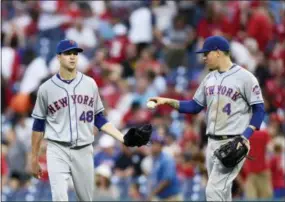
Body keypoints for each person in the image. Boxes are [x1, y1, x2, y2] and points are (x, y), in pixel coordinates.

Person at [149, 36, 265, 201]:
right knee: (222, 194)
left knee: (213, 191)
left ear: (218, 52)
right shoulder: (209, 79)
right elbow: (194, 106)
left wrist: (245, 136)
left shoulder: (246, 78)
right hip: (211, 143)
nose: (203, 57)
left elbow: (259, 110)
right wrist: (167, 101)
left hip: (234, 141)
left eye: (206, 53)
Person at [30, 39, 149, 201]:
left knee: (86, 198)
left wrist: (123, 138)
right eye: (67, 53)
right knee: (59, 197)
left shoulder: (89, 84)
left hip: (83, 149)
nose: (72, 57)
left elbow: (99, 119)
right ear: (58, 57)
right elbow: (38, 126)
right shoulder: (46, 89)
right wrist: (34, 158)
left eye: (75, 53)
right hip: (57, 149)